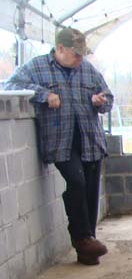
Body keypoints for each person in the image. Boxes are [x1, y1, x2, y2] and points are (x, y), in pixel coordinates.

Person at [4, 28, 113, 266]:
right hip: (61, 142)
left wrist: (100, 100)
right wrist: (43, 95)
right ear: (60, 49)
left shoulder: (87, 70)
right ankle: (82, 238)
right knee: (76, 182)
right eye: (76, 54)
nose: (80, 59)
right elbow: (10, 86)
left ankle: (87, 247)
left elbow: (108, 98)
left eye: (83, 54)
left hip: (89, 140)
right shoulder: (37, 67)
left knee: (90, 191)